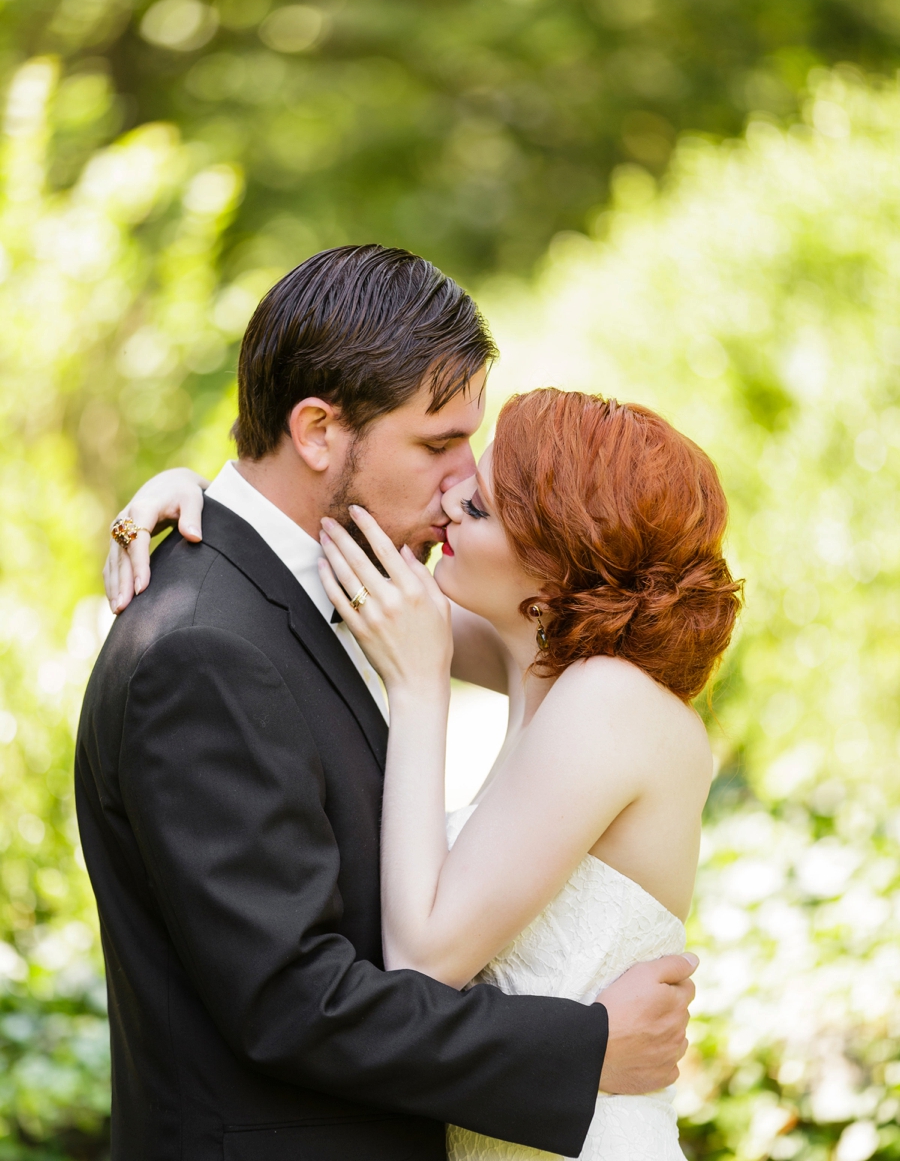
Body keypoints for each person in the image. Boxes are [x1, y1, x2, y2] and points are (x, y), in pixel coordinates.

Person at [81, 244, 697, 1161]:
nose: (461, 485)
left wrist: (192, 489)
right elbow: (292, 1001)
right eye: (440, 444)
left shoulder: (356, 587)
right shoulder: (205, 648)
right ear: (321, 432)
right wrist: (585, 1049)